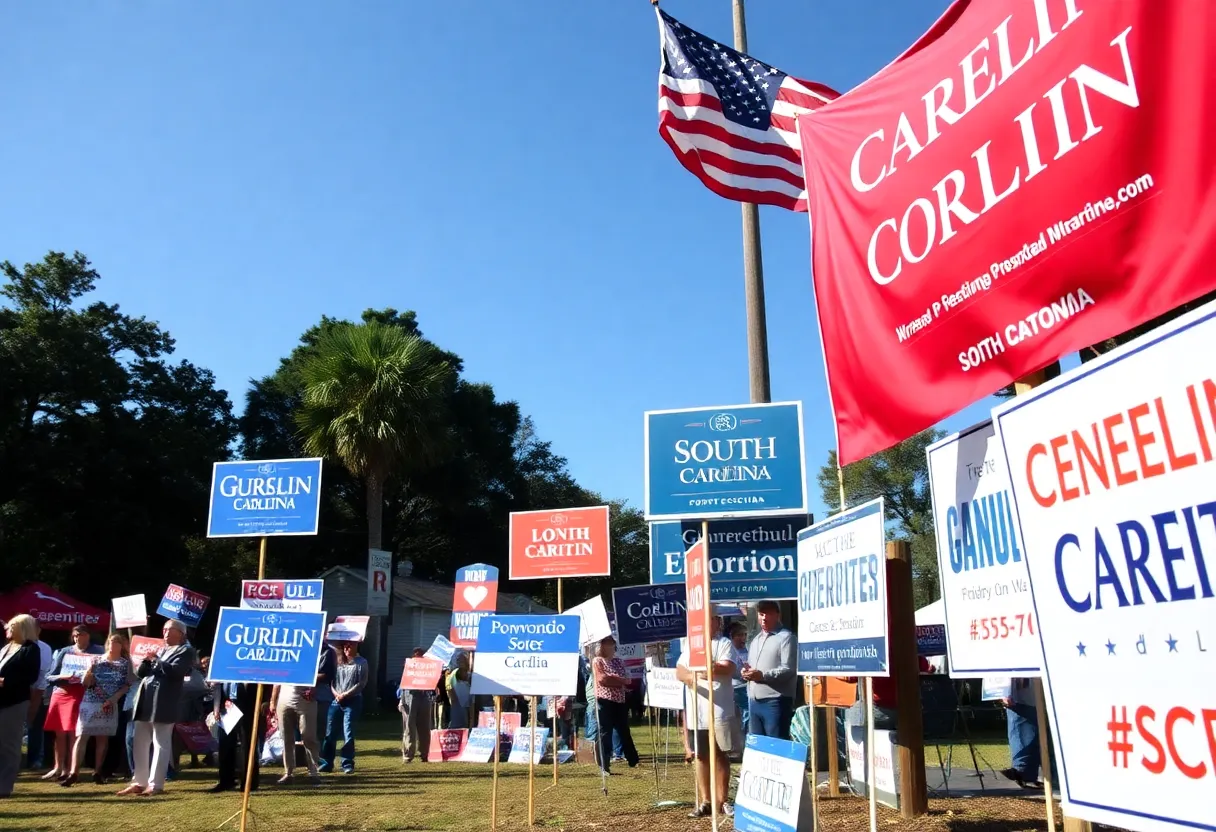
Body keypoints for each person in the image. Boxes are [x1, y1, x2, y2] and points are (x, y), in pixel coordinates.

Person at [676, 614, 739, 819]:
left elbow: (728, 667)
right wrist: (690, 678)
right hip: (697, 710)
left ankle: (723, 801)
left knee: (720, 754)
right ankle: (706, 801)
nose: (705, 623)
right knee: (701, 755)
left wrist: (708, 669)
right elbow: (680, 670)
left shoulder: (723, 643)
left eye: (710, 619)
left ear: (717, 623)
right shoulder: (691, 644)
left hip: (718, 708)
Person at [68, 633, 133, 786]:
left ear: (122, 645)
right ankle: (73, 772)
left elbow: (127, 684)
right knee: (82, 735)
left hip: (109, 703)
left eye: (117, 642)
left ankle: (98, 772)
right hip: (90, 701)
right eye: (111, 641)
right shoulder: (95, 660)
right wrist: (88, 671)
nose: (113, 644)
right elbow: (85, 682)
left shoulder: (125, 664)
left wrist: (114, 698)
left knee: (102, 738)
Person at [42, 624, 102, 781]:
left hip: (82, 695)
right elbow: (49, 676)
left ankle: (71, 769)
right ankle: (58, 767)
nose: (77, 638)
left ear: (88, 635)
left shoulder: (98, 651)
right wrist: (63, 677)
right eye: (74, 635)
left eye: (80, 634)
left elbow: (105, 674)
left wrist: (92, 675)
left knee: (75, 733)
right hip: (62, 693)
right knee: (59, 733)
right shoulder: (65, 651)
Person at [0, 614, 43, 798]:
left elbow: (31, 676)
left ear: (22, 628)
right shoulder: (6, 647)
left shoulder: (31, 649)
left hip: (14, 701)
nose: (7, 629)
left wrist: (6, 681)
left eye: (12, 626)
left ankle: (4, 787)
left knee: (9, 744)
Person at [741, 601, 796, 739]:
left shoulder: (786, 638)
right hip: (754, 701)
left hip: (775, 700)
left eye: (769, 614)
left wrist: (763, 676)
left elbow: (789, 669)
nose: (764, 618)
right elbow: (753, 667)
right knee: (759, 746)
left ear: (777, 615)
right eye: (761, 614)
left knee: (776, 745)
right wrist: (746, 672)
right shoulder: (755, 640)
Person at [591, 636, 639, 774]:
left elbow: (627, 679)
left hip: (620, 700)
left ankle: (632, 759)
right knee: (605, 733)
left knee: (624, 730)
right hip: (604, 699)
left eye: (611, 643)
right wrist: (620, 681)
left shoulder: (618, 661)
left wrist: (616, 679)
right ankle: (604, 764)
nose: (610, 646)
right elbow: (602, 680)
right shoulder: (597, 661)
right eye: (606, 644)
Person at [322, 640, 368, 773]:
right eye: (345, 645)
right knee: (330, 732)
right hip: (336, 700)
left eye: (350, 645)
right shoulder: (338, 661)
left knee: (348, 732)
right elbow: (332, 681)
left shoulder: (361, 662)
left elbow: (361, 683)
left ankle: (347, 763)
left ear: (356, 645)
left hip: (353, 701)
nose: (347, 647)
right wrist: (336, 694)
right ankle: (327, 763)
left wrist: (346, 694)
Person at [209, 681, 261, 793]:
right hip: (226, 705)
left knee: (247, 744)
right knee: (225, 744)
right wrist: (216, 707)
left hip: (247, 705)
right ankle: (226, 781)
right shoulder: (224, 666)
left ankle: (249, 782)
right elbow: (217, 684)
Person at [1001, 678, 1043, 789]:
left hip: (1030, 698)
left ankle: (1027, 775)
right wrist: (1004, 693)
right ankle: (1023, 774)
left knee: (1032, 738)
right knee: (1025, 736)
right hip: (1021, 700)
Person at [24, 622, 52, 770]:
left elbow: (43, 674)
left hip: (37, 692)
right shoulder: (10, 646)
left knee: (34, 726)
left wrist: (35, 697)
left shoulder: (44, 648)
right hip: (15, 693)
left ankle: (35, 760)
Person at [399, 648, 432, 764]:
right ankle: (408, 755)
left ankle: (424, 754)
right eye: (417, 655)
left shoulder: (428, 667)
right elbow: (403, 683)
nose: (420, 657)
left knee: (425, 727)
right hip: (410, 695)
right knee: (409, 727)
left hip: (424, 695)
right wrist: (401, 700)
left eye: (421, 655)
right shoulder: (409, 665)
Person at [728, 622, 749, 734]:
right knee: (743, 713)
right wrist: (742, 673)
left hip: (747, 686)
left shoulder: (747, 650)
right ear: (732, 637)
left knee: (746, 714)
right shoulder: (730, 651)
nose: (743, 638)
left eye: (745, 635)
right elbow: (732, 670)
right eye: (740, 635)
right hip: (736, 687)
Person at [445, 653, 471, 730]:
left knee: (465, 724)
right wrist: (452, 696)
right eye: (459, 660)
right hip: (457, 703)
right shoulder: (454, 673)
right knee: (456, 725)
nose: (460, 662)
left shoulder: (470, 675)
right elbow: (448, 685)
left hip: (467, 704)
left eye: (462, 660)